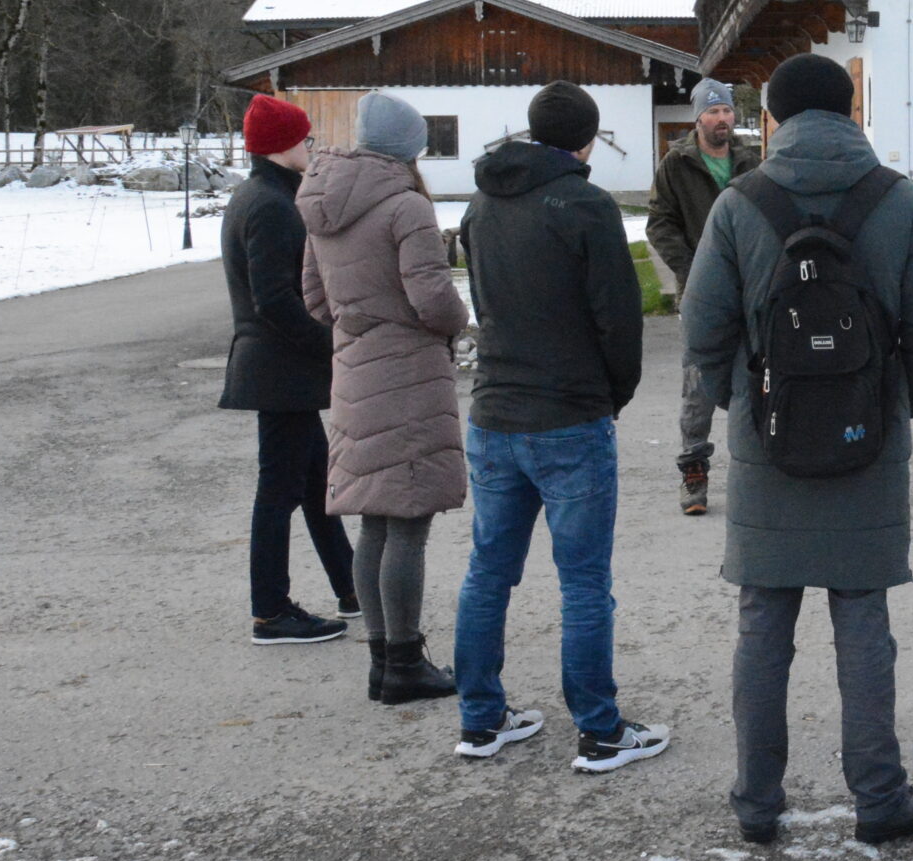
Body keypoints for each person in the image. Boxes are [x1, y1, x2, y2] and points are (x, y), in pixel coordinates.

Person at [682, 54, 913, 848]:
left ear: (771, 118)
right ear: (849, 110)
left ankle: (757, 804)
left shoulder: (741, 202)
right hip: (867, 444)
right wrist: (887, 407)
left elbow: (705, 332)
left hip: (769, 446)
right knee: (863, 618)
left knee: (763, 621)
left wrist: (756, 409)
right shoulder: (900, 200)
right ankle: (879, 797)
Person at [454, 81, 661, 770]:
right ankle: (599, 729)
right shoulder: (586, 203)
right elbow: (618, 315)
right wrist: (613, 393)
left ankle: (481, 718)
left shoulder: (482, 203)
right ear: (589, 141)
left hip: (494, 409)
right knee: (582, 582)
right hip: (569, 413)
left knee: (488, 571)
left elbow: (482, 300)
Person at [298, 92, 471, 705]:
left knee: (375, 521)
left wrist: (359, 323)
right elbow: (434, 301)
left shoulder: (320, 201)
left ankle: (381, 658)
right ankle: (405, 662)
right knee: (408, 524)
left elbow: (316, 299)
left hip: (354, 372)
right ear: (410, 147)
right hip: (406, 375)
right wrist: (461, 324)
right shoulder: (405, 206)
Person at [220, 92, 356, 645]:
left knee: (316, 483)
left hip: (282, 370)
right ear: (281, 147)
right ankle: (270, 611)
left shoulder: (260, 195)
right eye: (305, 139)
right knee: (279, 489)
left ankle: (352, 588)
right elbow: (274, 299)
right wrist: (333, 343)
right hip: (281, 370)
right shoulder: (272, 206)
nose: (312, 146)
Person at [647, 77, 761, 517]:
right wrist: (693, 272)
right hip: (699, 296)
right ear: (698, 118)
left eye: (727, 111)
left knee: (756, 379)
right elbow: (660, 223)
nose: (722, 119)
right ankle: (694, 472)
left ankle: (758, 473)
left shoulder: (751, 162)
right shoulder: (676, 165)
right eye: (713, 112)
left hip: (750, 293)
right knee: (698, 387)